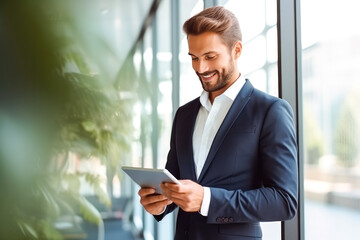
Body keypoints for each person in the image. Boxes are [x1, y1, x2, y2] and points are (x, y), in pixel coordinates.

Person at [138, 6, 298, 240]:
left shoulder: (270, 111)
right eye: (194, 58)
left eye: (210, 57)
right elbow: (175, 183)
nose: (200, 68)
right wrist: (159, 203)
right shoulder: (184, 115)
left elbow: (284, 201)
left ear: (237, 50)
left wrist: (208, 200)